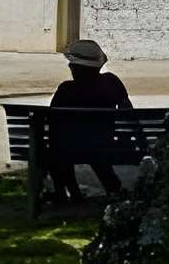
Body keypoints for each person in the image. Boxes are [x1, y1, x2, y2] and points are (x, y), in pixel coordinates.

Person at [44, 39, 144, 203]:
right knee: (94, 147)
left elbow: (52, 122)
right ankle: (113, 189)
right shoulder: (112, 82)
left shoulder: (66, 90)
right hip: (105, 145)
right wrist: (141, 141)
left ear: (76, 68)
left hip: (70, 148)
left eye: (71, 64)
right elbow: (129, 115)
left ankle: (72, 194)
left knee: (62, 147)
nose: (69, 66)